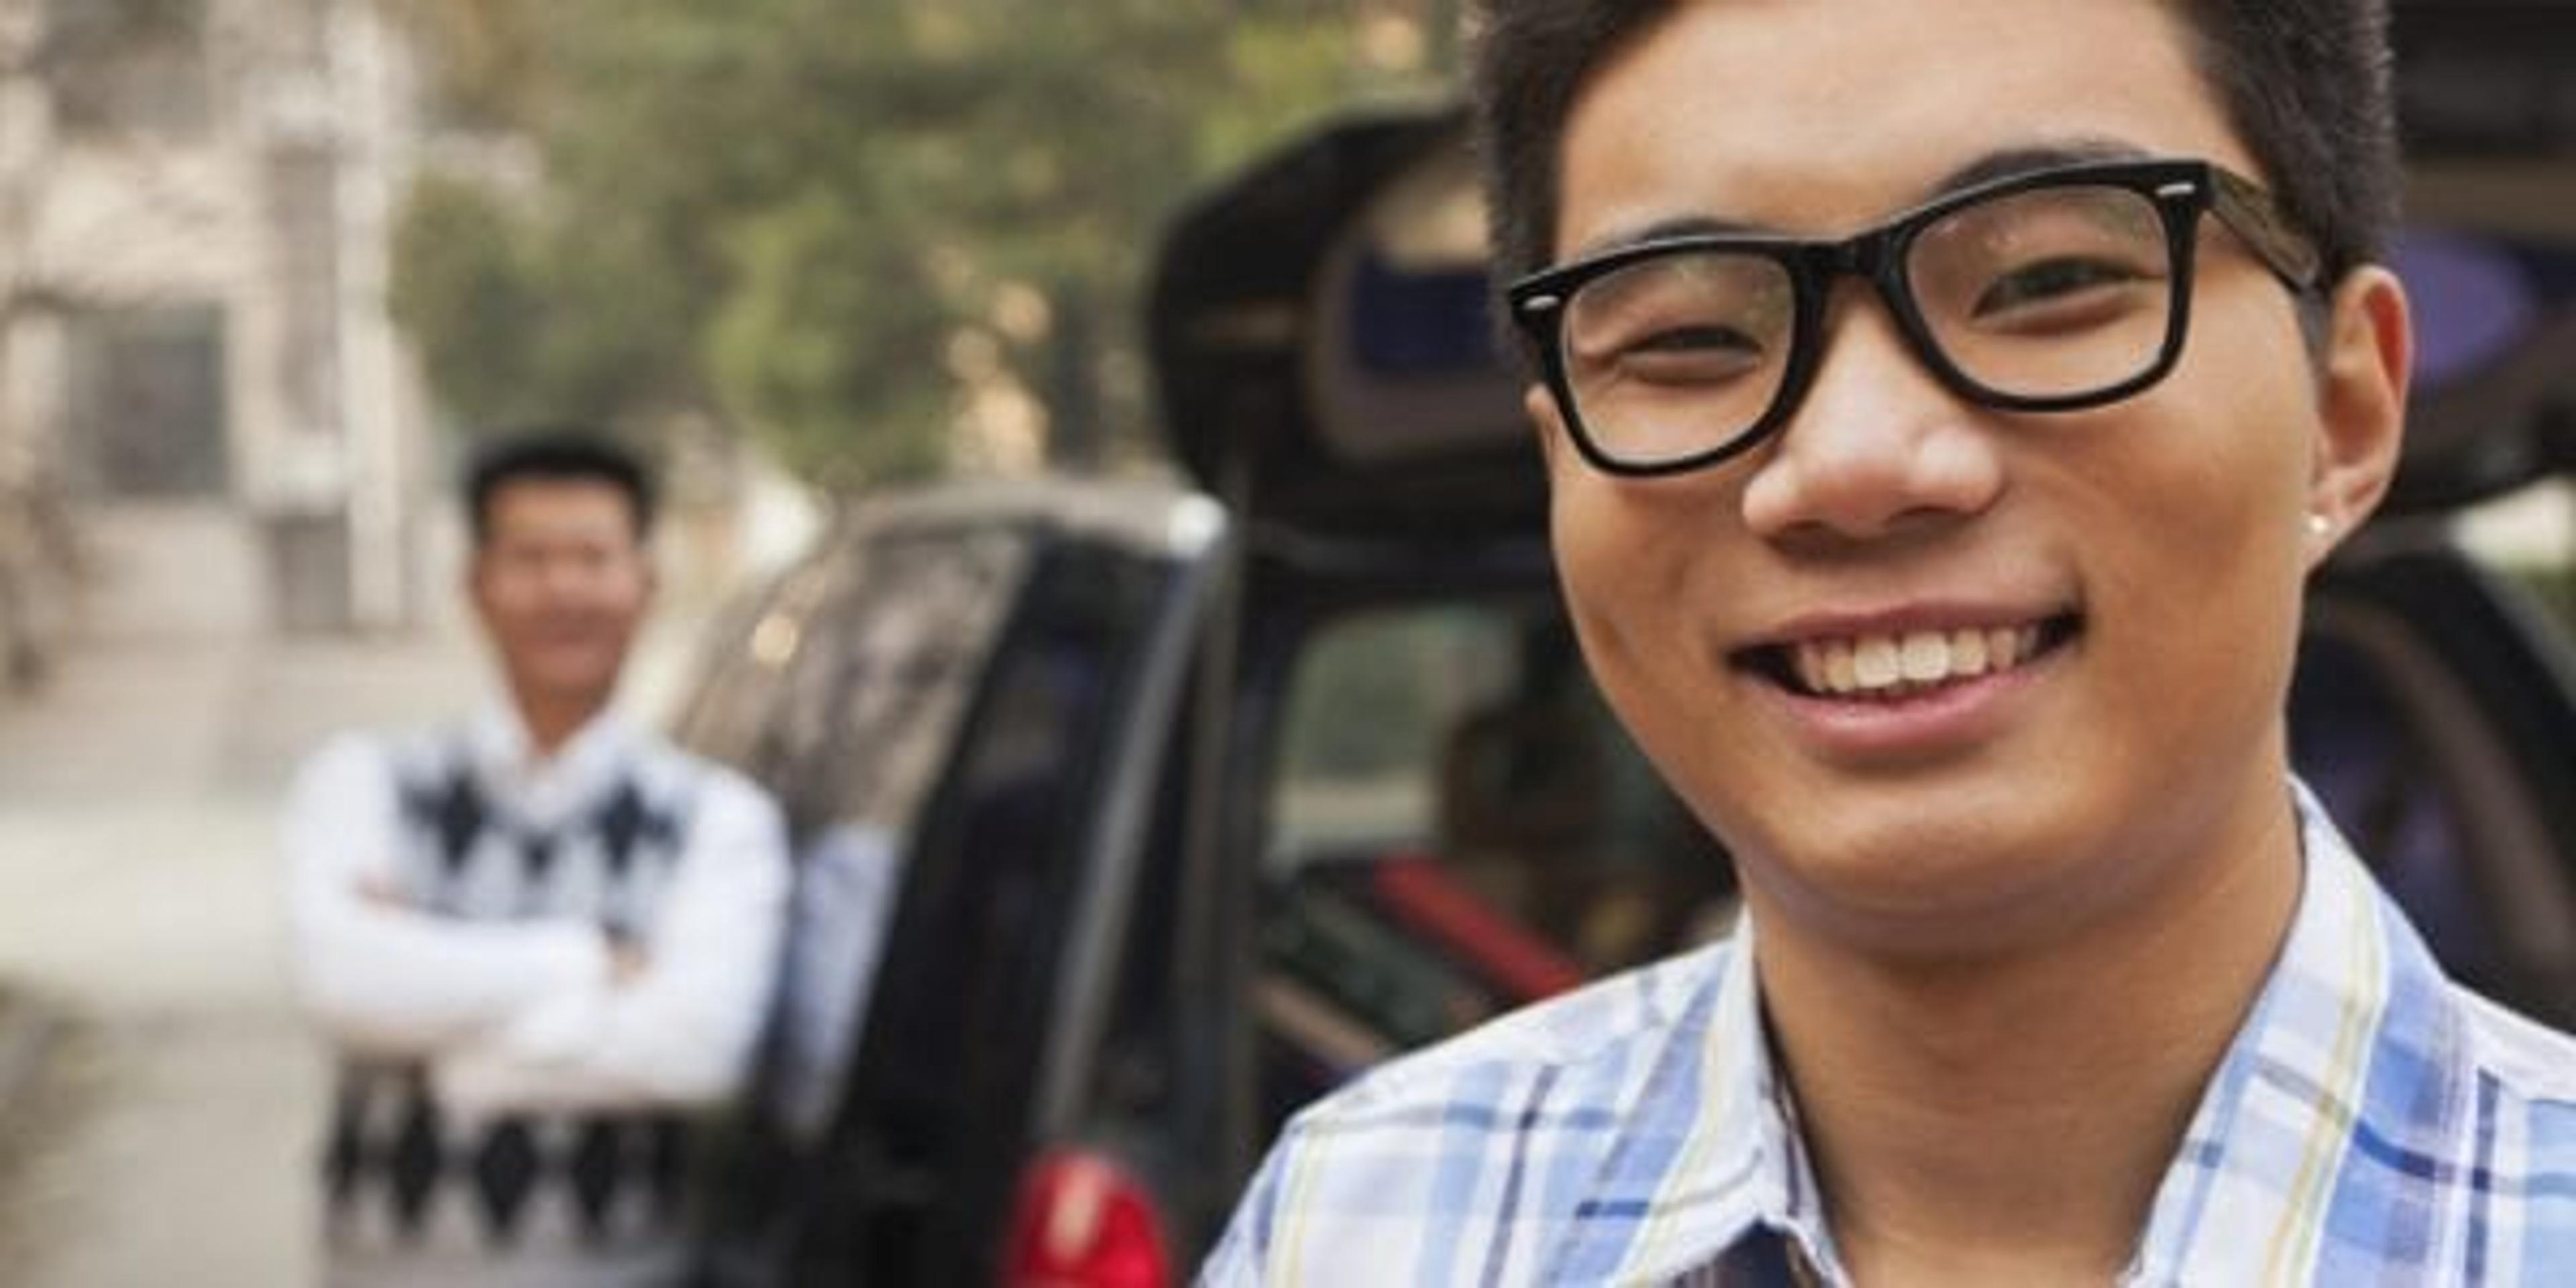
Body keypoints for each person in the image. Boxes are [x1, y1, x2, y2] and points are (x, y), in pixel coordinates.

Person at [1203, 0, 2576, 1282]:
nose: (1855, 463)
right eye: (1685, 339)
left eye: (2045, 281)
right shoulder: (1372, 1224)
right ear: (1560, 461)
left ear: (2344, 412)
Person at [284, 429, 790, 1285]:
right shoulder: (365, 782)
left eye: (593, 557)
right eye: (531, 558)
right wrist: (588, 959)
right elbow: (343, 984)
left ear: (645, 585)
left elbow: (698, 1048)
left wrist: (445, 1048)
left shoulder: (714, 817)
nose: (564, 588)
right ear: (477, 586)